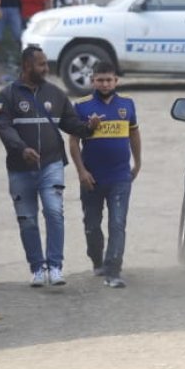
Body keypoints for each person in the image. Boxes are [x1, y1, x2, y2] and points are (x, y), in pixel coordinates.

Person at [0, 46, 99, 287]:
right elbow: (4, 127)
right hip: (20, 169)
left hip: (51, 164)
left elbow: (71, 123)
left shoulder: (56, 93)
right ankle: (37, 268)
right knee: (27, 219)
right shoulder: (7, 95)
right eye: (41, 64)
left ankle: (55, 266)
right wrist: (21, 149)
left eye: (45, 63)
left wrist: (88, 127)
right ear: (27, 66)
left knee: (54, 212)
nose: (46, 68)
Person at [68, 62, 141, 288]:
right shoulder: (81, 107)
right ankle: (97, 260)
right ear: (93, 81)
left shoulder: (127, 105)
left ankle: (113, 270)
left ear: (116, 81)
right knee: (92, 223)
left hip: (120, 176)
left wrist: (137, 163)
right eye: (100, 80)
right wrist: (81, 171)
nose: (105, 83)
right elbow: (73, 141)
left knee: (117, 223)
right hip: (92, 178)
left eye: (109, 79)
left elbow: (134, 135)